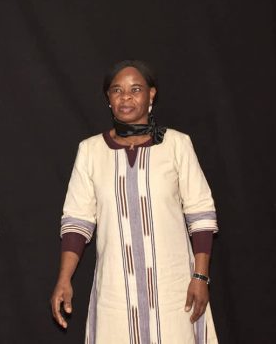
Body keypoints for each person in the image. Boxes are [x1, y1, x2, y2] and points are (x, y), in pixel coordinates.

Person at [50, 59, 219, 343]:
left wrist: (200, 278)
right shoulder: (91, 151)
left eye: (135, 89)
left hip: (174, 291)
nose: (125, 97)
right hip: (115, 293)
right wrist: (64, 279)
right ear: (108, 98)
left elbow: (201, 213)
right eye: (117, 90)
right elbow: (77, 222)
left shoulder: (177, 145)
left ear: (151, 94)